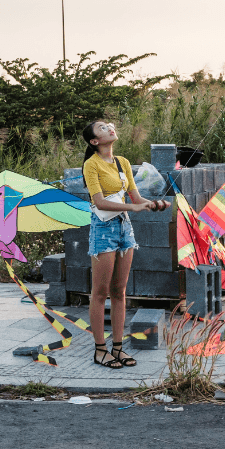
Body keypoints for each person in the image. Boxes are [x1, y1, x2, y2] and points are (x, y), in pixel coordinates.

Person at [81, 120, 167, 369]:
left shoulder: (123, 163)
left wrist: (154, 204)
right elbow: (99, 202)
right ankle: (100, 350)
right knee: (100, 292)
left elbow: (136, 198)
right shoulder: (91, 164)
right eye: (101, 128)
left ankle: (117, 349)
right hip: (103, 229)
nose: (109, 128)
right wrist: (133, 206)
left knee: (120, 291)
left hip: (124, 228)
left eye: (109, 125)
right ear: (94, 141)